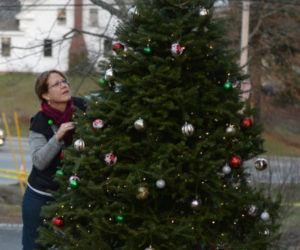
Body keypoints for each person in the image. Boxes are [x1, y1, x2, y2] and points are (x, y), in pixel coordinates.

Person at [22, 70, 85, 250]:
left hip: (76, 194)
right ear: (46, 95)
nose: (64, 85)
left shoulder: (82, 108)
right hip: (41, 196)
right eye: (56, 84)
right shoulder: (40, 122)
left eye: (64, 81)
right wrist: (58, 136)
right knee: (35, 245)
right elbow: (39, 161)